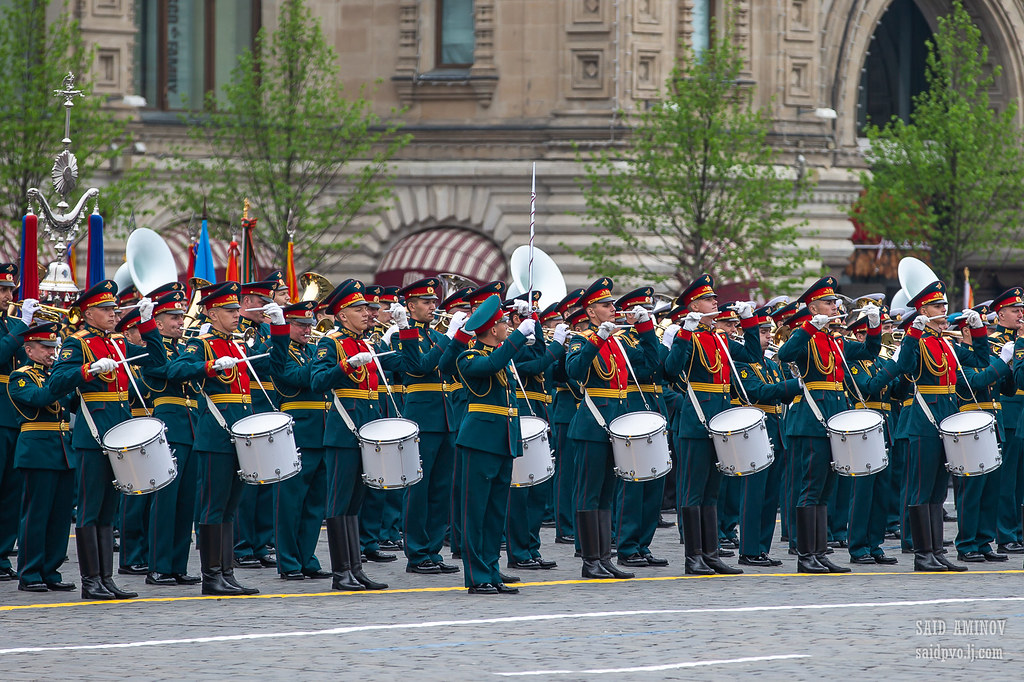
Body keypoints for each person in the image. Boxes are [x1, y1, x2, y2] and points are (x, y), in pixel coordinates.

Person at [47, 280, 165, 600]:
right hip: (93, 435)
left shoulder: (117, 342)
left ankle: (107, 579)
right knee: (90, 509)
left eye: (114, 308)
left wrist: (148, 324)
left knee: (108, 511)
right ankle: (91, 581)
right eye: (106, 309)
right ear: (88, 314)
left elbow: (157, 363)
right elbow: (57, 381)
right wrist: (88, 370)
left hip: (120, 435)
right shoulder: (78, 343)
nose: (113, 314)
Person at [777, 276, 881, 574]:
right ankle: (805, 554)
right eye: (829, 302)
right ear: (813, 307)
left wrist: (873, 326)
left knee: (825, 490)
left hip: (834, 419)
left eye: (835, 302)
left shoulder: (835, 340)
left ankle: (820, 552)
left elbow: (869, 352)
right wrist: (811, 325)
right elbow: (785, 355)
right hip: (810, 420)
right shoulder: (806, 335)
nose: (836, 306)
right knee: (810, 488)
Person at [889, 279, 989, 572]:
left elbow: (980, 359)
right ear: (922, 309)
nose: (944, 310)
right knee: (921, 488)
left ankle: (936, 551)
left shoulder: (945, 342)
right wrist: (913, 332)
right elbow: (905, 367)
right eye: (937, 305)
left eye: (944, 305)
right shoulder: (918, 341)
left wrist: (979, 330)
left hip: (946, 417)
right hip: (923, 420)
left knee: (937, 491)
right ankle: (923, 555)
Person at [664, 274, 761, 575]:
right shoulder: (689, 336)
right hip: (695, 421)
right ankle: (693, 557)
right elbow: (670, 371)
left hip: (721, 421)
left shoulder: (720, 338)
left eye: (715, 299)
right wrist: (684, 333)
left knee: (712, 492)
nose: (715, 303)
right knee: (693, 491)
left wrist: (750, 323)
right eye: (709, 299)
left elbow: (753, 355)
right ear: (694, 305)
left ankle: (711, 553)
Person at [170, 281, 260, 595]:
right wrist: (208, 366)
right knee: (213, 506)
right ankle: (211, 576)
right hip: (216, 436)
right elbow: (178, 369)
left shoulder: (237, 345)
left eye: (238, 309)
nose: (237, 314)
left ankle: (226, 571)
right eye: (230, 310)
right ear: (212, 312)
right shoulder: (202, 343)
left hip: (240, 435)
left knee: (231, 506)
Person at [565, 278, 658, 579]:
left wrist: (646, 330)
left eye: (612, 305)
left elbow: (650, 366)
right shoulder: (580, 339)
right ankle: (590, 560)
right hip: (592, 425)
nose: (612, 310)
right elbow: (574, 372)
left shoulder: (618, 342)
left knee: (607, 494)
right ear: (591, 312)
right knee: (589, 494)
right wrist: (596, 339)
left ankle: (604, 558)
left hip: (617, 425)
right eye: (606, 306)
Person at [310, 279, 399, 590]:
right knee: (339, 501)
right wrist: (345, 366)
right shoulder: (331, 343)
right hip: (343, 432)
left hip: (367, 431)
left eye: (367, 308)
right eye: (359, 309)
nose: (367, 313)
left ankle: (356, 568)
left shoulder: (367, 343)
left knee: (356, 502)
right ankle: (341, 572)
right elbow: (318, 380)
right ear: (342, 314)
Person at [455, 295, 534, 594]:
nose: (506, 325)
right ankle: (476, 576)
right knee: (475, 511)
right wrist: (518, 336)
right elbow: (490, 365)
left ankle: (491, 570)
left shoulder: (501, 352)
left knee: (495, 512)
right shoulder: (469, 357)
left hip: (502, 440)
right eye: (502, 322)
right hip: (480, 440)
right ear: (491, 328)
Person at [392, 277, 461, 575]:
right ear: (410, 306)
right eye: (426, 302)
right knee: (419, 489)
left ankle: (433, 550)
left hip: (447, 418)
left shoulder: (435, 335)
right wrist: (453, 336)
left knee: (441, 489)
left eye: (434, 301)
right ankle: (417, 553)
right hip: (423, 417)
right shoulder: (402, 335)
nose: (434, 306)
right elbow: (421, 366)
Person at [8, 322, 77, 592]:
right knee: (36, 514)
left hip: (62, 449)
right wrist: (72, 376)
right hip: (37, 450)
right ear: (29, 349)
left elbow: (72, 404)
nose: (52, 352)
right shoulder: (20, 376)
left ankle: (51, 570)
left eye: (53, 347)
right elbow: (40, 398)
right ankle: (30, 572)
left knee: (60, 516)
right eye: (45, 347)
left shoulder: (54, 374)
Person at [268, 300, 331, 580]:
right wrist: (326, 363)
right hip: (297, 433)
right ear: (288, 326)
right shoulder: (281, 353)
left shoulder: (312, 352)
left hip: (321, 433)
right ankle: (289, 562)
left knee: (315, 504)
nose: (308, 330)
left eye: (310, 325)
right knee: (290, 502)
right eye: (301, 325)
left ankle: (308, 557)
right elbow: (290, 376)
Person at [734, 306, 801, 567]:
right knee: (754, 494)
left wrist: (794, 383)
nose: (768, 337)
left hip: (775, 427)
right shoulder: (741, 363)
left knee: (770, 494)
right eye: (762, 332)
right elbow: (756, 391)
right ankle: (748, 550)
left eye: (768, 332)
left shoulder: (773, 364)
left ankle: (762, 548)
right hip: (754, 430)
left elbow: (783, 394)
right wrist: (793, 385)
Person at [143, 290, 201, 586]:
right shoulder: (156, 349)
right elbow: (163, 369)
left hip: (191, 427)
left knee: (186, 501)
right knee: (166, 500)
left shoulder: (183, 349)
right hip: (171, 427)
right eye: (174, 317)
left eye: (181, 316)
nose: (181, 321)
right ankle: (158, 565)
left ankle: (177, 564)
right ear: (159, 323)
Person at [612, 287, 670, 568]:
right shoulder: (623, 341)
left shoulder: (650, 338)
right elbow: (650, 366)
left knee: (655, 484)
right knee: (634, 485)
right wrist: (647, 332)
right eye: (642, 311)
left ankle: (643, 544)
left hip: (654, 412)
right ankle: (626, 545)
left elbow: (668, 368)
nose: (649, 315)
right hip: (635, 412)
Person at [234, 278, 280, 570]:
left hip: (270, 403)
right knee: (248, 482)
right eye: (262, 302)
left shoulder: (265, 328)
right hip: (248, 403)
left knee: (267, 482)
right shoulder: (236, 331)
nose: (266, 308)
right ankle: (241, 545)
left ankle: (261, 542)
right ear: (247, 301)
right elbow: (257, 362)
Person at [0, 263, 31, 581]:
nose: (9, 295)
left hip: (15, 414)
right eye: (3, 290)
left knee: (11, 492)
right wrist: (21, 330)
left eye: (11, 290)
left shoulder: (11, 323)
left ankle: (2, 555)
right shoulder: (13, 327)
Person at [989, 288, 1024, 554]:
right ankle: (1006, 533)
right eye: (1015, 310)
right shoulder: (994, 343)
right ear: (1001, 314)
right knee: (1008, 478)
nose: (1021, 314)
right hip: (1010, 411)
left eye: (1022, 310)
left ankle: (1019, 530)